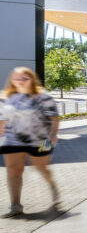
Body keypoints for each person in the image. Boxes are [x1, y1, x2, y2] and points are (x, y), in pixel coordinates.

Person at [0, 67, 60, 217]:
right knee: (13, 171)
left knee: (41, 168)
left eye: (24, 78)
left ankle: (52, 186)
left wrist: (53, 135)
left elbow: (54, 118)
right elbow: (2, 120)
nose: (20, 81)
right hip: (11, 140)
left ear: (32, 79)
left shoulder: (43, 96)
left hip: (40, 141)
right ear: (12, 80)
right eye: (17, 78)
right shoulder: (5, 97)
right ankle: (15, 206)